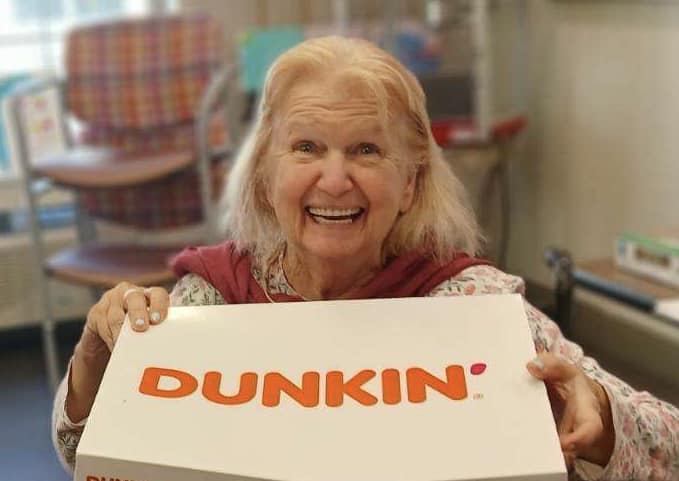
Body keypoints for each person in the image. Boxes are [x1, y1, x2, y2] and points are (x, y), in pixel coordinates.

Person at [53, 36, 679, 480]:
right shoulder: (208, 300)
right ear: (266, 178)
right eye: (306, 147)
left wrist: (600, 417)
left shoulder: (473, 307)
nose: (334, 178)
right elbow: (82, 459)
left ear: (411, 183)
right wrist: (95, 368)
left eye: (366, 151)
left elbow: (666, 444)